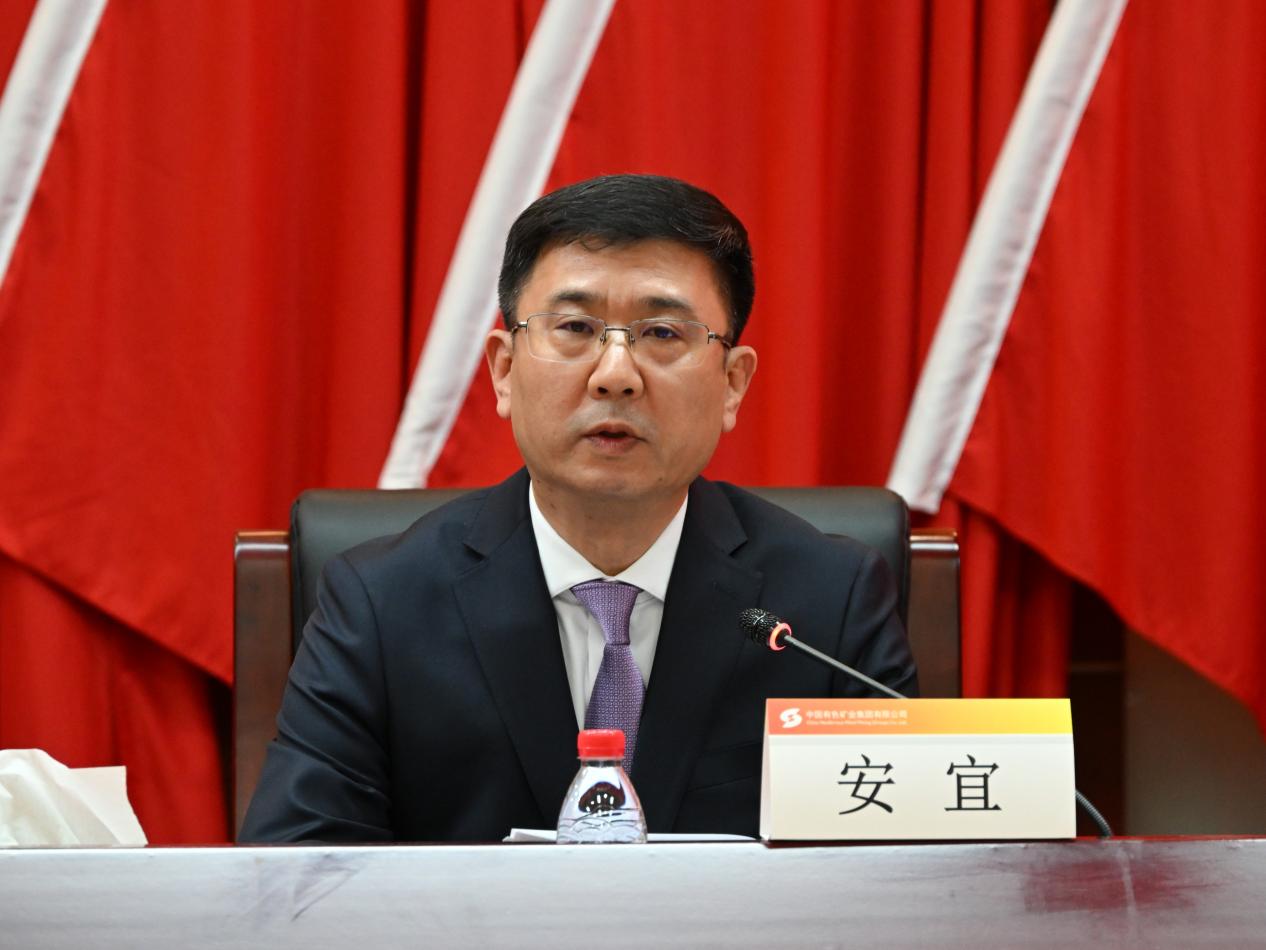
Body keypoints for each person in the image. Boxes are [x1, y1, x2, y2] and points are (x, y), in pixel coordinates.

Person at [240, 174, 917, 843]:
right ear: (504, 370)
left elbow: (903, 865)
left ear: (732, 384)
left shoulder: (828, 606)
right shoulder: (380, 603)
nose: (615, 375)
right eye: (574, 327)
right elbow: (301, 868)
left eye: (662, 332)